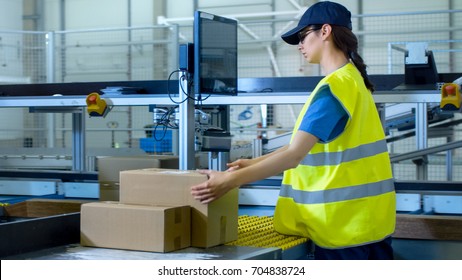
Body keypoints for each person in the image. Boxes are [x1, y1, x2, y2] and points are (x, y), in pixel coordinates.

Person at [191, 1, 396, 260]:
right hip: (371, 222)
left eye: (303, 36)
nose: (300, 45)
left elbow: (294, 155)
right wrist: (255, 162)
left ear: (325, 31)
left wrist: (229, 181)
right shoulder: (354, 80)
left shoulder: (333, 89)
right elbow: (305, 148)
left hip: (343, 229)